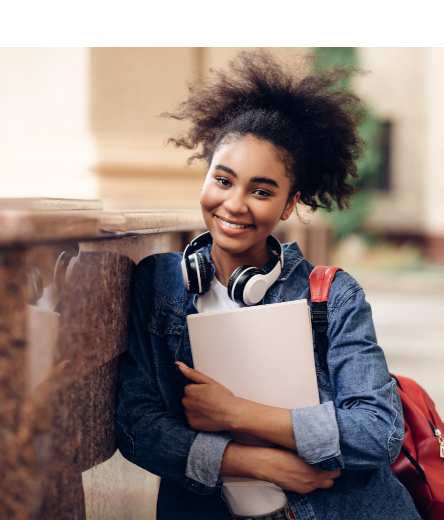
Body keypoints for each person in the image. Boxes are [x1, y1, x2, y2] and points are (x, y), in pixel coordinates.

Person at [116, 50, 421, 520]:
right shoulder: (159, 286)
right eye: (223, 180)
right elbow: (137, 426)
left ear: (287, 205)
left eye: (261, 191)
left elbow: (378, 431)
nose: (234, 204)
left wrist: (236, 413)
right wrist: (260, 463)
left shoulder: (334, 296)